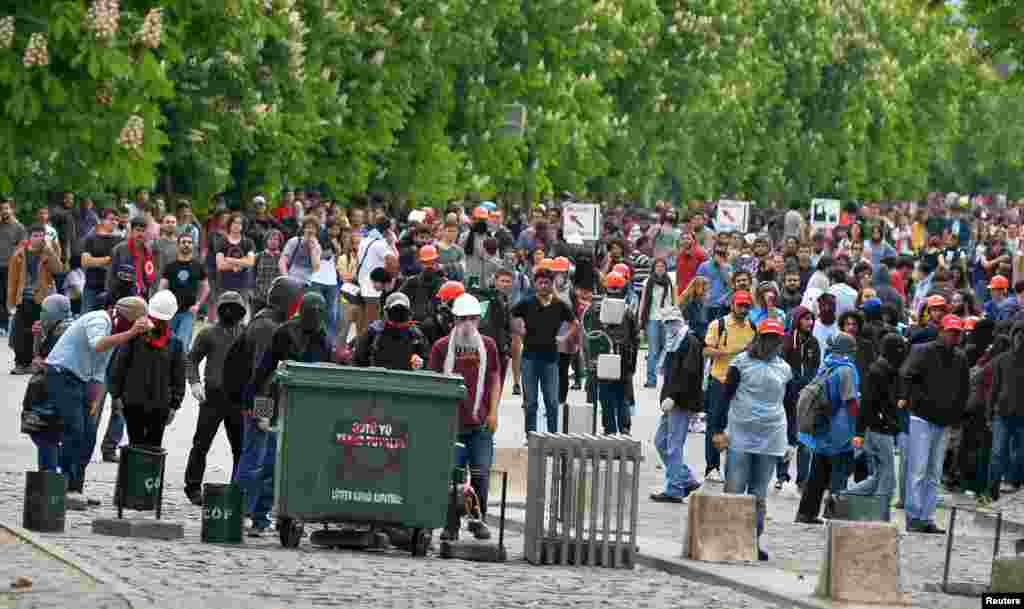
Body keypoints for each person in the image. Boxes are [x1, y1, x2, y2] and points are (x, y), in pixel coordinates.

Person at [241, 291, 332, 536]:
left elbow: (326, 377)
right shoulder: (284, 332)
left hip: (305, 409)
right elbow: (264, 371)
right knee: (266, 461)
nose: (314, 318)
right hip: (273, 401)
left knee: (297, 465)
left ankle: (284, 516)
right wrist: (253, 405)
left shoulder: (324, 339)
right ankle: (255, 516)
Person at [712, 318, 792, 561]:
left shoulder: (784, 369)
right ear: (759, 338)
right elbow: (724, 397)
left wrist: (792, 441)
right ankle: (727, 540)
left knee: (758, 494)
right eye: (767, 337)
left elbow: (789, 404)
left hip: (771, 436)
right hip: (740, 434)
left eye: (776, 339)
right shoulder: (740, 363)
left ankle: (752, 541)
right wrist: (717, 429)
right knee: (735, 488)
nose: (771, 343)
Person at [428, 294, 501, 540]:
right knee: (452, 476)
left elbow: (494, 379)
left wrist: (493, 412)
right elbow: (434, 384)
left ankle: (477, 519)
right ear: (454, 320)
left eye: (472, 318)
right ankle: (451, 525)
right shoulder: (440, 348)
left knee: (481, 473)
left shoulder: (488, 346)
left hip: (479, 424)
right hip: (451, 425)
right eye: (462, 319)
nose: (467, 324)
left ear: (478, 320)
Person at [899, 314, 969, 533]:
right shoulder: (923, 351)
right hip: (922, 417)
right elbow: (905, 375)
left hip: (942, 421)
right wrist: (911, 401)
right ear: (942, 331)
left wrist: (956, 414)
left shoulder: (960, 358)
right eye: (951, 331)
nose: (953, 335)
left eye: (957, 332)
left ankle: (926, 517)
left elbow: (964, 389)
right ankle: (914, 516)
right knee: (919, 470)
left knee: (933, 472)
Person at [183, 292, 248, 505]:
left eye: (234, 308)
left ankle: (237, 488)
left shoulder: (246, 334)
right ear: (219, 311)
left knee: (240, 446)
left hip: (238, 398)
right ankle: (192, 487)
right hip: (212, 397)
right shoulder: (208, 333)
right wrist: (194, 383)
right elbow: (191, 360)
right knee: (201, 443)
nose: (230, 312)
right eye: (226, 308)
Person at [795, 332, 860, 524]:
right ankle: (834, 516)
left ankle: (806, 513)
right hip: (840, 431)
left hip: (822, 429)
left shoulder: (827, 365)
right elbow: (850, 402)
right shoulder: (847, 370)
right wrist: (857, 427)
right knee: (840, 473)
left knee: (817, 474)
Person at [107, 290, 185, 449]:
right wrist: (174, 404)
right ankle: (146, 474)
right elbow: (178, 378)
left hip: (141, 403)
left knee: (138, 446)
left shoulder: (137, 335)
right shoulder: (172, 342)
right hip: (149, 404)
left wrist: (117, 394)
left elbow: (119, 367)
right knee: (151, 450)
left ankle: (134, 474)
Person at [845, 333, 907, 521]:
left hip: (879, 429)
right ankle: (881, 519)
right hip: (879, 431)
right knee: (887, 480)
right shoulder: (879, 372)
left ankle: (842, 498)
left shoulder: (884, 370)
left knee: (877, 478)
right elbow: (868, 405)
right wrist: (863, 431)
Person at [512, 266, 578, 434]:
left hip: (551, 360)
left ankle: (552, 435)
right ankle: (531, 435)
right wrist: (519, 329)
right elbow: (512, 315)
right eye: (540, 283)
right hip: (529, 359)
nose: (543, 286)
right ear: (535, 284)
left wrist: (563, 338)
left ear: (552, 284)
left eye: (547, 283)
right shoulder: (526, 303)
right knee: (530, 402)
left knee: (551, 401)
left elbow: (574, 324)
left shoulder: (559, 305)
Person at [702, 290, 757, 483]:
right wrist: (731, 353)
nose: (743, 309)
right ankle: (712, 466)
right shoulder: (719, 325)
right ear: (732, 305)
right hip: (720, 380)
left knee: (739, 425)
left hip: (743, 383)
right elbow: (706, 350)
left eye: (746, 306)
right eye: (740, 305)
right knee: (715, 424)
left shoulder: (752, 327)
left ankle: (736, 467)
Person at [651, 307, 704, 502]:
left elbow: (688, 373)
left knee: (673, 445)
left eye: (672, 321)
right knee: (660, 441)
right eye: (666, 322)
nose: (669, 325)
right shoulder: (674, 341)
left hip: (682, 400)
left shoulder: (690, 341)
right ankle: (685, 479)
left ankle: (674, 488)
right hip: (672, 400)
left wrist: (673, 396)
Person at [581, 272, 639, 435]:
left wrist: (589, 362)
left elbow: (589, 336)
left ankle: (610, 429)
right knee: (622, 396)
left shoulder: (594, 309)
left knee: (606, 396)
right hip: (623, 358)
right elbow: (634, 339)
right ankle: (624, 428)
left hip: (603, 359)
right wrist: (632, 366)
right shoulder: (628, 311)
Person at [8, 225, 62, 374]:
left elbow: (58, 269)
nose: (39, 238)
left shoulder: (48, 251)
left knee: (39, 332)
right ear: (29, 237)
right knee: (20, 332)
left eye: (41, 235)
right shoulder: (19, 253)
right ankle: (21, 363)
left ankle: (36, 362)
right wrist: (11, 301)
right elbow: (12, 279)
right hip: (23, 298)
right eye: (36, 235)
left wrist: (50, 252)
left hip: (42, 298)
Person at [780, 306, 820, 491]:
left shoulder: (814, 343)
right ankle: (782, 474)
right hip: (787, 396)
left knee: (804, 438)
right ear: (797, 320)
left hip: (807, 397)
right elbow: (782, 366)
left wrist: (808, 385)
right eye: (805, 319)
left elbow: (814, 368)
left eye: (811, 319)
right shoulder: (787, 341)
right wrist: (792, 383)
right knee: (786, 437)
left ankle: (802, 479)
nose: (809, 323)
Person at [986, 321, 1024, 502]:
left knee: (1019, 453)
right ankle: (992, 490)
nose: (1020, 339)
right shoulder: (1003, 360)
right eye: (1018, 334)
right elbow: (994, 388)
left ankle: (1013, 482)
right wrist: (989, 414)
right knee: (997, 453)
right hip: (1002, 414)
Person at [353, 292, 430, 369]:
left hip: (405, 378)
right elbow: (358, 358)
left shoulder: (415, 334)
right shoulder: (374, 331)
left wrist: (421, 363)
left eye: (402, 310)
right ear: (386, 311)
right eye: (395, 309)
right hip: (377, 378)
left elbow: (427, 360)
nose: (399, 313)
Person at [159, 233, 209, 349]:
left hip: (188, 312)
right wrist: (163, 305)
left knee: (182, 344)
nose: (186, 244)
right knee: (166, 343)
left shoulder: (198, 266)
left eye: (189, 242)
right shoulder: (170, 266)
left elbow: (206, 287)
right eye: (183, 242)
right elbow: (162, 287)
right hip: (170, 312)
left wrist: (197, 304)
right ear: (178, 245)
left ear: (193, 246)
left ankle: (180, 367)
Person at [639, 258, 675, 388]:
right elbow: (643, 302)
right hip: (652, 319)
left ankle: (668, 379)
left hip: (666, 319)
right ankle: (651, 380)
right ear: (654, 268)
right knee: (653, 351)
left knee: (667, 349)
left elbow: (672, 301)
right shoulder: (648, 282)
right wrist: (640, 321)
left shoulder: (670, 282)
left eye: (662, 266)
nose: (660, 268)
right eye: (658, 266)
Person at [106, 217, 156, 302]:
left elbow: (149, 274)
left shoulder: (148, 251)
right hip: (122, 294)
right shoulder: (120, 249)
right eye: (138, 230)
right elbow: (111, 274)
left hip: (142, 294)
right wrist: (111, 296)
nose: (140, 233)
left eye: (143, 231)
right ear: (132, 231)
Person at [215, 215, 256, 315]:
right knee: (224, 314)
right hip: (225, 284)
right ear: (229, 224)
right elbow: (220, 265)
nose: (236, 225)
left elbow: (251, 262)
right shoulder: (222, 242)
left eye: (239, 223)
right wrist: (242, 262)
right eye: (234, 222)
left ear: (243, 226)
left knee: (240, 315)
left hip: (243, 284)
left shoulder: (248, 242)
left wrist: (230, 260)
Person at [0, 197, 26, 334]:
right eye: (1, 209)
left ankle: (4, 325)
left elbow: (22, 246)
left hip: (9, 266)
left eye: (6, 208)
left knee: (7, 295)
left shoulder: (18, 227)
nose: (4, 211)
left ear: (11, 209)